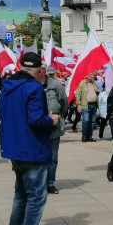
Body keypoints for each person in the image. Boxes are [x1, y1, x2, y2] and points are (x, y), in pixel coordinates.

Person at [0, 52, 59, 225]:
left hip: (14, 147)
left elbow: (3, 114)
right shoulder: (33, 88)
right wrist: (51, 120)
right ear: (39, 69)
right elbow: (35, 119)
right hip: (31, 148)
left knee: (21, 192)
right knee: (36, 195)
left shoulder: (7, 86)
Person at [44, 66, 68, 194]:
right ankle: (40, 183)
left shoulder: (55, 85)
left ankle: (50, 183)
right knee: (40, 157)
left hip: (54, 126)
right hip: (39, 127)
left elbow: (64, 102)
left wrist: (58, 117)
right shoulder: (32, 85)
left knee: (53, 157)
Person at [74, 73, 99, 142]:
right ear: (86, 76)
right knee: (86, 120)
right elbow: (77, 94)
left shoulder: (94, 83)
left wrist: (97, 90)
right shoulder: (82, 83)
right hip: (85, 105)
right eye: (91, 74)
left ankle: (90, 136)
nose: (92, 75)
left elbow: (98, 92)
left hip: (94, 105)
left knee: (92, 122)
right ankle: (84, 136)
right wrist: (79, 105)